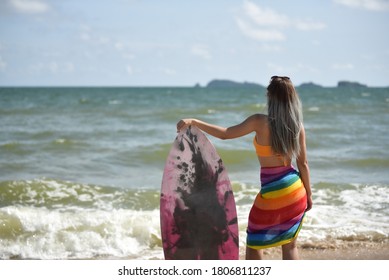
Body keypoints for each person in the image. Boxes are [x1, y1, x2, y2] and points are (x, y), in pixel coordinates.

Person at [176, 76, 312, 260]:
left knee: (255, 241)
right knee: (289, 246)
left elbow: (225, 134)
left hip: (272, 191)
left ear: (269, 96)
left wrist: (195, 121)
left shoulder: (259, 121)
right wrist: (309, 196)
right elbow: (303, 164)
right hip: (295, 190)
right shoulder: (298, 127)